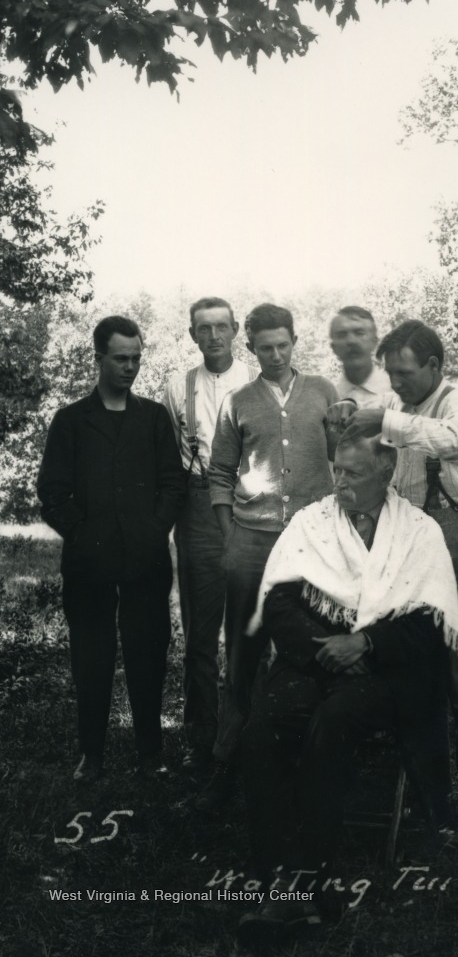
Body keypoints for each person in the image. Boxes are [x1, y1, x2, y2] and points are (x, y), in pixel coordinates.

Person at [237, 435, 458, 941]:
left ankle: (310, 881)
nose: (339, 481)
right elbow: (278, 603)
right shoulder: (311, 523)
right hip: (314, 657)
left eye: (353, 474)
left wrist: (366, 643)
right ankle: (275, 870)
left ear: (386, 475)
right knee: (263, 726)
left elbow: (431, 622)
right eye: (336, 470)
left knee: (332, 723)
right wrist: (329, 648)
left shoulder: (419, 533)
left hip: (386, 670)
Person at [329, 319, 458, 843]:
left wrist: (386, 418)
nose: (397, 384)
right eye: (391, 375)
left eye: (404, 374)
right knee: (419, 679)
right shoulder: (399, 407)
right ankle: (434, 805)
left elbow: (456, 442)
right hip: (412, 548)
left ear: (434, 365)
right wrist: (348, 423)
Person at [37, 316, 185, 782]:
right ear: (98, 358)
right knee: (91, 656)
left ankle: (149, 753)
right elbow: (52, 492)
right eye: (120, 358)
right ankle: (92, 755)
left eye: (137, 358)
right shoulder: (71, 421)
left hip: (145, 560)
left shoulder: (154, 418)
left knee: (147, 652)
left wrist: (154, 529)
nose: (130, 367)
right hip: (89, 563)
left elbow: (173, 483)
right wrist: (82, 536)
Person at [206, 303, 338, 795]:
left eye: (284, 345)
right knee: (243, 649)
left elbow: (343, 456)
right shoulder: (238, 401)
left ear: (295, 341)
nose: (277, 354)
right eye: (266, 348)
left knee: (312, 643)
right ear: (252, 348)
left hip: (314, 543)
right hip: (252, 541)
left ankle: (303, 758)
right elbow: (219, 473)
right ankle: (229, 757)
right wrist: (229, 534)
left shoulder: (324, 392)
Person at [163, 298, 256, 773]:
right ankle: (200, 735)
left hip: (251, 505)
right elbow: (169, 454)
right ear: (193, 334)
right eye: (205, 328)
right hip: (198, 505)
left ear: (237, 330)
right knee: (201, 628)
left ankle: (251, 732)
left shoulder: (257, 384)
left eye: (222, 326)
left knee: (252, 623)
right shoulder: (179, 386)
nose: (215, 335)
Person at [329, 305, 391, 405]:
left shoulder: (397, 391)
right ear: (333, 347)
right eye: (342, 334)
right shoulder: (329, 399)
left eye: (360, 333)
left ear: (374, 341)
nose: (351, 341)